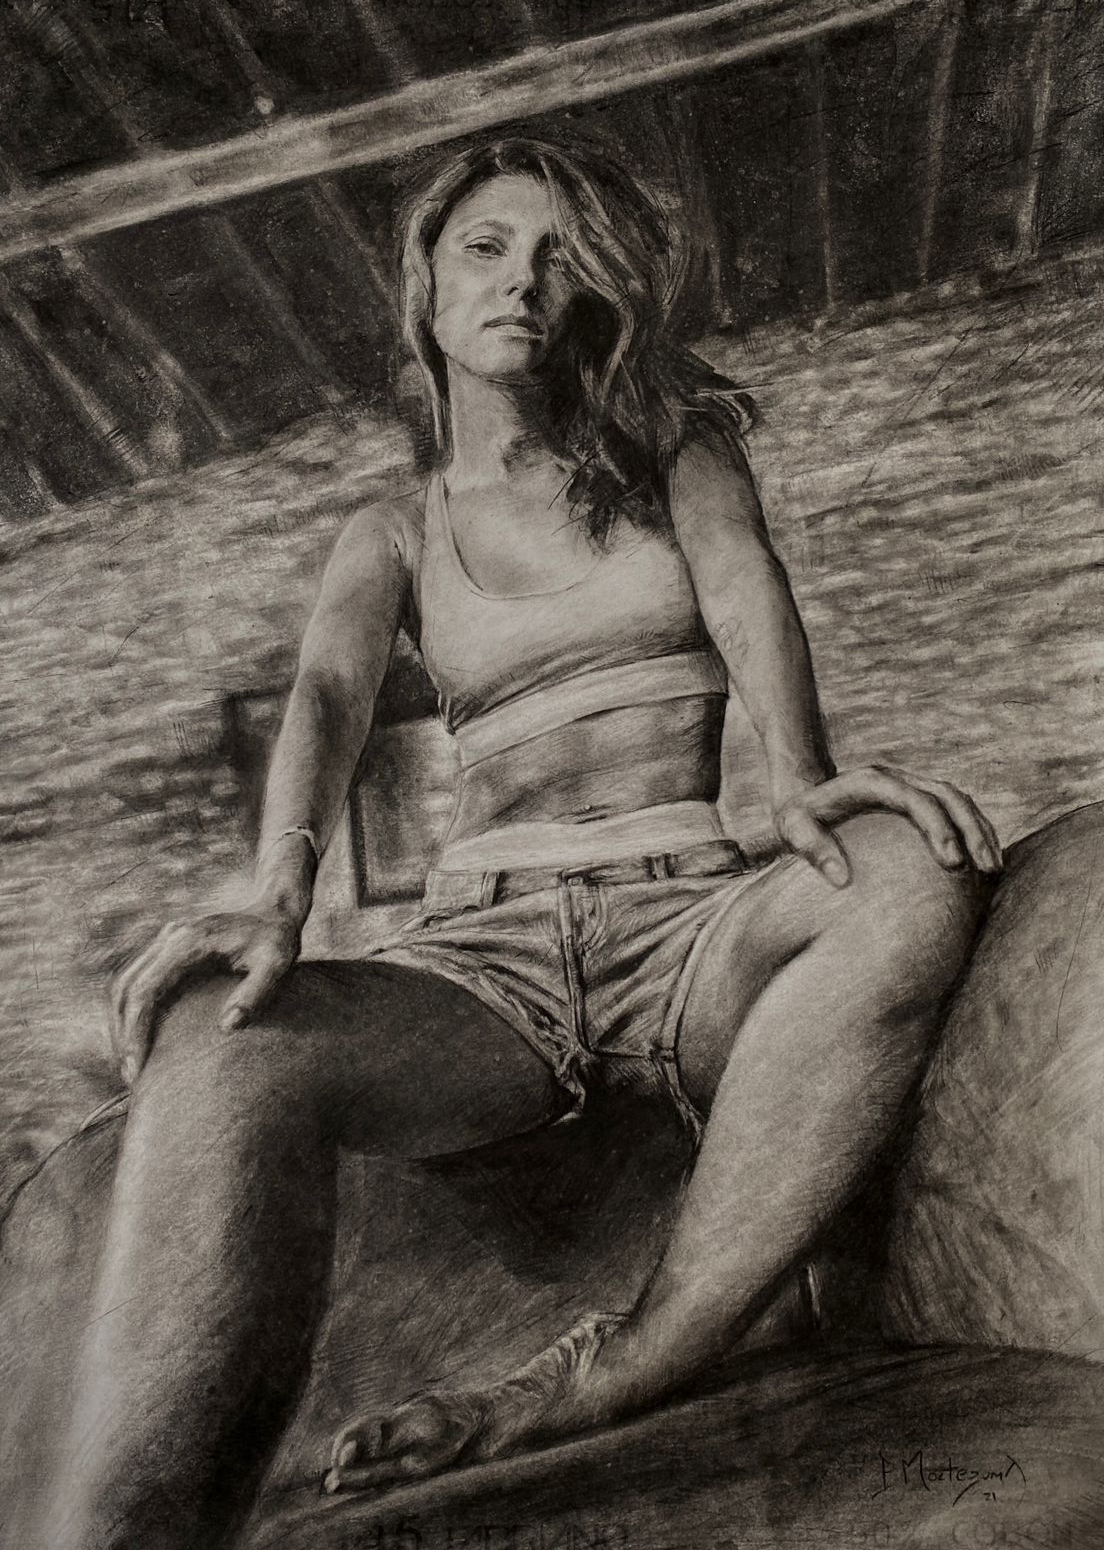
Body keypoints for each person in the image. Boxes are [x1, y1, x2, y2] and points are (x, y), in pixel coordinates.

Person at [36, 135, 1000, 1550]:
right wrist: (278, 892)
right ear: (425, 288)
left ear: (593, 289)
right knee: (218, 1034)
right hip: (486, 961)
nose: (523, 282)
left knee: (911, 877)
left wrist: (803, 778)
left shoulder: (679, 454)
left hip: (690, 927)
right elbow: (327, 696)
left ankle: (628, 1363)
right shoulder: (391, 528)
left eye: (558, 255)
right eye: (486, 249)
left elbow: (745, 586)